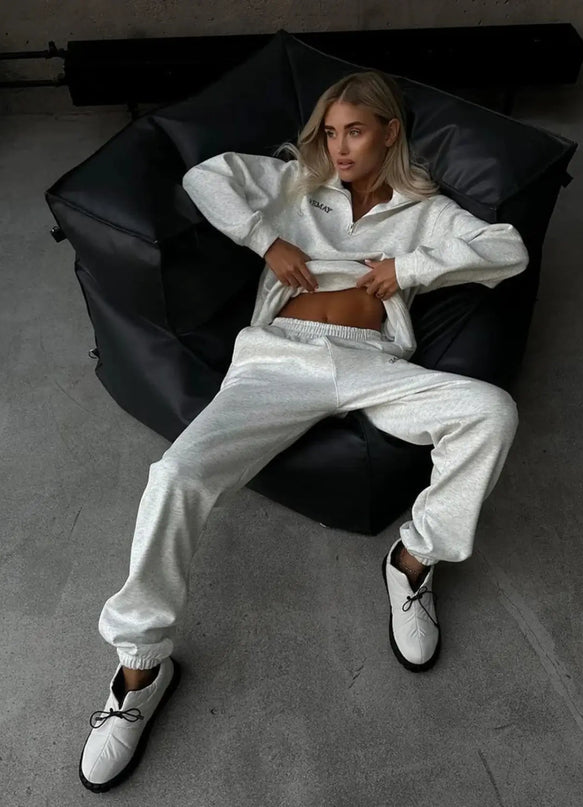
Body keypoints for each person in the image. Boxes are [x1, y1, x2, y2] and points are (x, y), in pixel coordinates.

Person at [79, 69, 529, 792]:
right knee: (174, 476)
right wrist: (266, 241)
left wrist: (408, 268)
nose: (340, 147)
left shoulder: (426, 211)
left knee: (490, 411)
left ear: (389, 132)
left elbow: (508, 249)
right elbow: (204, 177)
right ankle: (139, 667)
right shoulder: (296, 184)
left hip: (373, 362)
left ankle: (413, 561)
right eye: (330, 132)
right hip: (277, 360)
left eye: (356, 131)